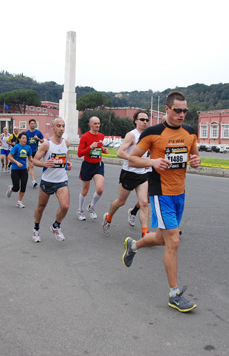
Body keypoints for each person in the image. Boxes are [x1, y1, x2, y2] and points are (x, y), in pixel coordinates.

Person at [122, 91, 201, 313]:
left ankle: (133, 245)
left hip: (180, 192)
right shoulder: (153, 133)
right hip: (160, 192)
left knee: (160, 238)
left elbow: (194, 155)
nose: (182, 114)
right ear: (166, 109)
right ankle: (174, 294)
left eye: (185, 110)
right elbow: (133, 158)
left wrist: (197, 160)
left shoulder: (190, 132)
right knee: (173, 241)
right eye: (178, 110)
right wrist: (153, 161)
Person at [102, 110, 151, 238]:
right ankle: (108, 218)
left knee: (144, 202)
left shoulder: (149, 135)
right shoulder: (131, 135)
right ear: (135, 121)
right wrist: (135, 159)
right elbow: (120, 152)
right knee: (120, 202)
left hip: (143, 173)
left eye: (147, 120)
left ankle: (145, 232)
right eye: (142, 119)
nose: (145, 122)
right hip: (129, 173)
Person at [32, 117, 73, 243]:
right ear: (53, 127)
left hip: (61, 180)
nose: (61, 128)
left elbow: (66, 158)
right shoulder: (47, 144)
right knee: (41, 207)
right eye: (59, 126)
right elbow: (34, 160)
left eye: (63, 126)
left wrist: (68, 164)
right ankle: (36, 229)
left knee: (65, 206)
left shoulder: (66, 143)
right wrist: (44, 164)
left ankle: (56, 226)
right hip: (48, 180)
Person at [77, 116, 109, 220]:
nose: (97, 125)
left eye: (99, 123)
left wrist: (103, 150)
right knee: (85, 190)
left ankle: (91, 207)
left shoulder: (101, 136)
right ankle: (80, 210)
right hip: (87, 165)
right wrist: (90, 147)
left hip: (98, 165)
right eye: (95, 123)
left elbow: (99, 147)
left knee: (100, 189)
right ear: (90, 125)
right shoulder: (85, 137)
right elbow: (79, 154)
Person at [7, 132, 32, 208]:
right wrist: (17, 162)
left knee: (23, 186)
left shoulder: (28, 148)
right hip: (15, 169)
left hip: (23, 169)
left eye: (25, 138)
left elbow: (30, 158)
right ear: (19, 139)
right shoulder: (16, 147)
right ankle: (11, 189)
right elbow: (9, 156)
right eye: (23, 138)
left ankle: (19, 201)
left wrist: (32, 161)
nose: (25, 140)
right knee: (16, 188)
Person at [25, 119, 44, 188]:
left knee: (30, 166)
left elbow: (43, 141)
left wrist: (38, 138)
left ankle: (25, 172)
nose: (33, 125)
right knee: (31, 165)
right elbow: (23, 141)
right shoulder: (26, 133)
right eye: (31, 123)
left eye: (34, 123)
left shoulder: (38, 132)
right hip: (28, 152)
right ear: (29, 124)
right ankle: (33, 182)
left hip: (35, 151)